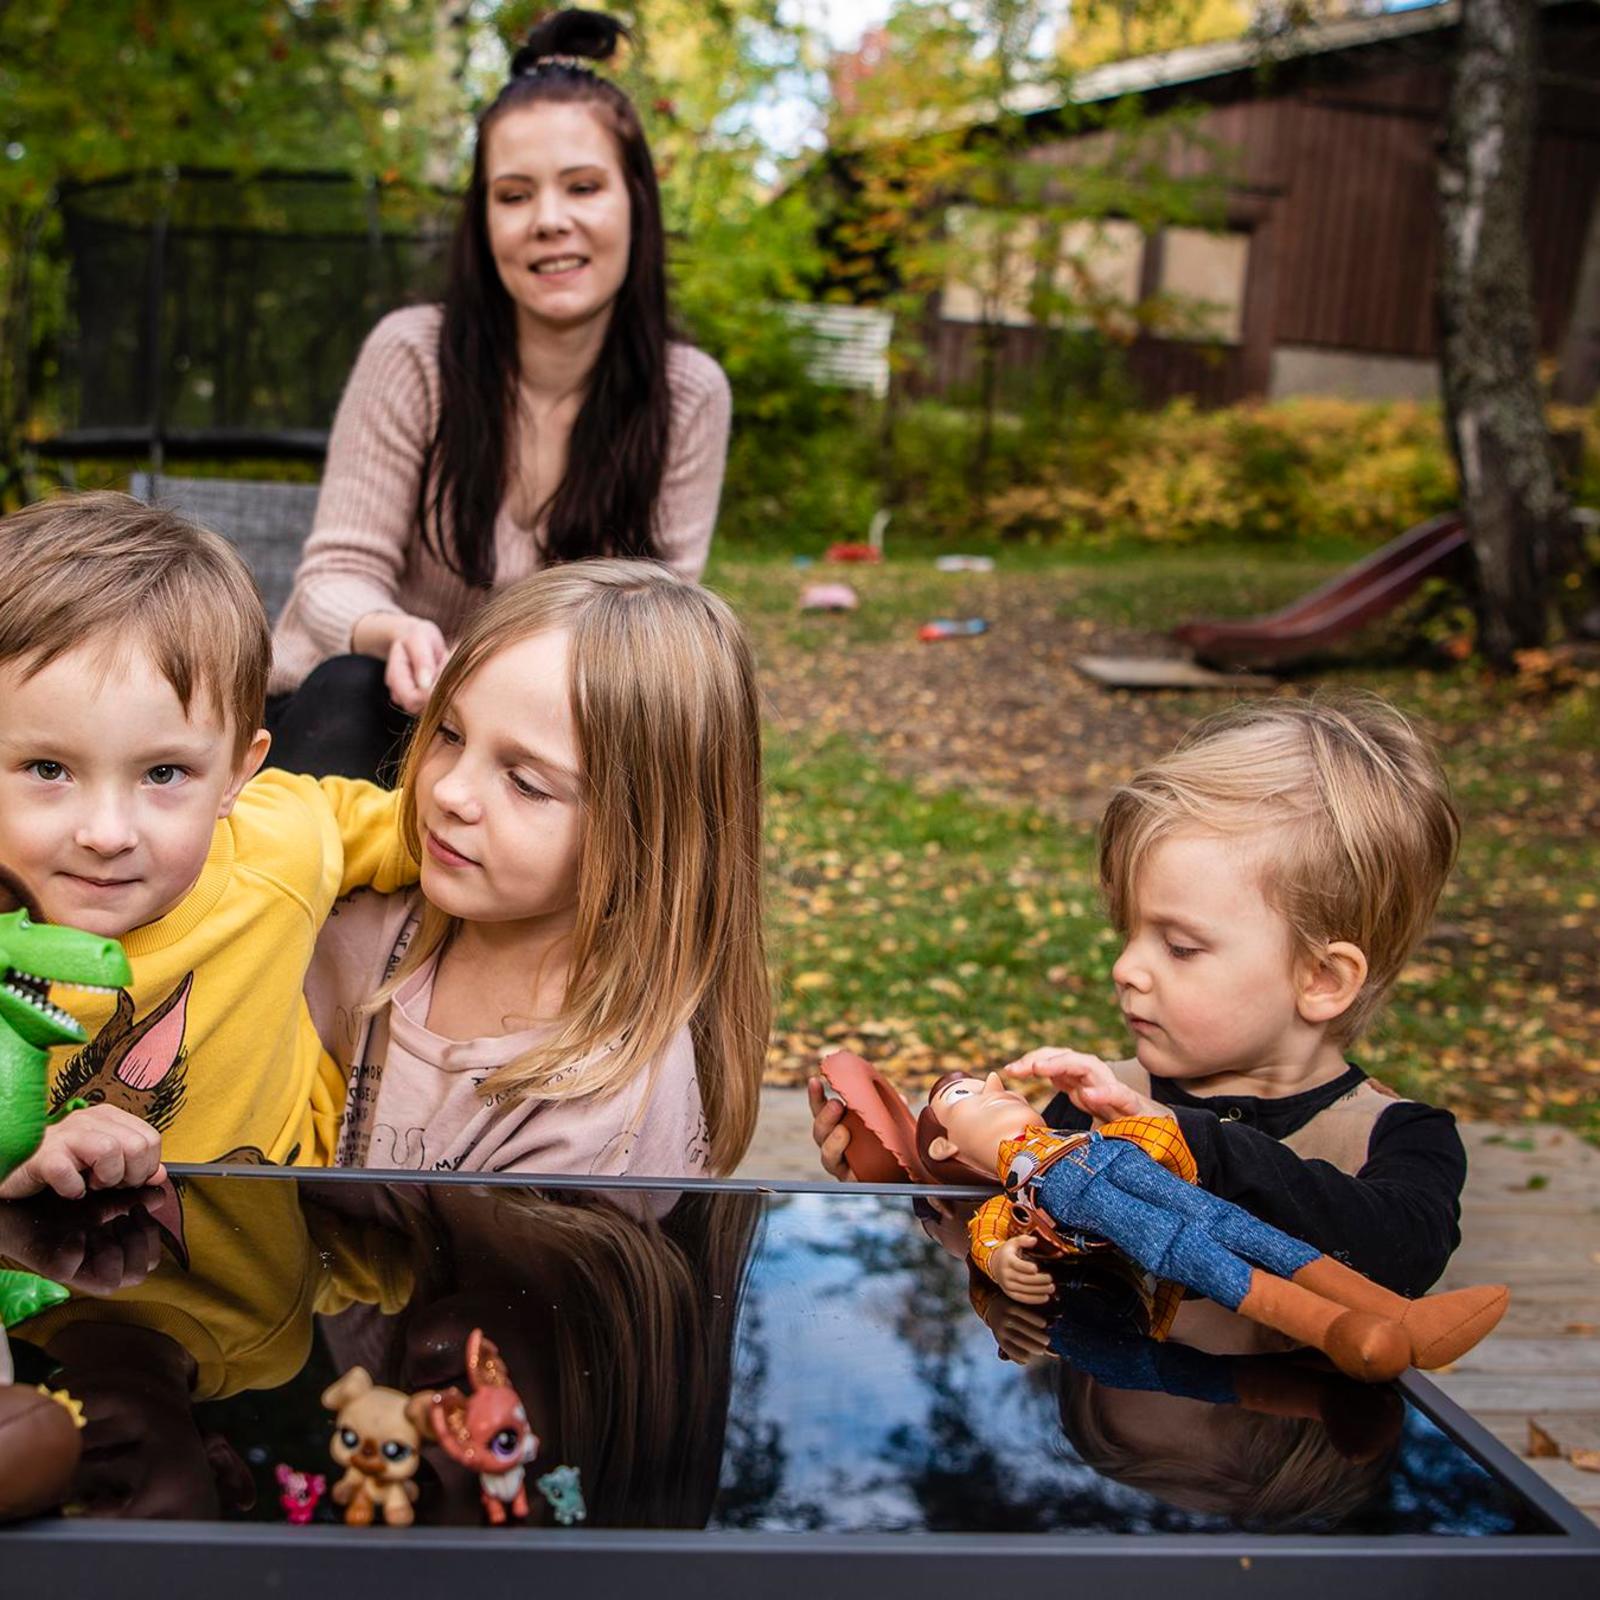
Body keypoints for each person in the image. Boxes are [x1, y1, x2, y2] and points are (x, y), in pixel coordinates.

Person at [811, 695, 1469, 1297]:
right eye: (1130, 932)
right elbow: (1011, 1216)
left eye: (1179, 946)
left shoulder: (1396, 1138)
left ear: (1321, 980)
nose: (1127, 967)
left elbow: (1400, 1253)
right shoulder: (1087, 1108)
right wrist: (916, 1173)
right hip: (1094, 1424)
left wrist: (1195, 1146)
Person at [268, 9, 732, 783]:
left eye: (583, 187)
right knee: (352, 689)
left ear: (636, 205)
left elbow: (657, 622)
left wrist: (505, 691)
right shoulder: (412, 354)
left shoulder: (689, 397)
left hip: (540, 733)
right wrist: (394, 633)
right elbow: (333, 575)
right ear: (484, 224)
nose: (550, 221)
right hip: (363, 717)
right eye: (514, 196)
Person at [0, 491, 414, 1189]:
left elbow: (446, 832)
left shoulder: (279, 843)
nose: (107, 833)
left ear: (236, 776)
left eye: (164, 773)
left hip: (282, 1261)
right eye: (49, 769)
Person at [304, 559, 767, 1180]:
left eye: (524, 783)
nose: (450, 793)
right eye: (448, 732)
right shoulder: (351, 910)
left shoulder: (601, 1124)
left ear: (643, 834)